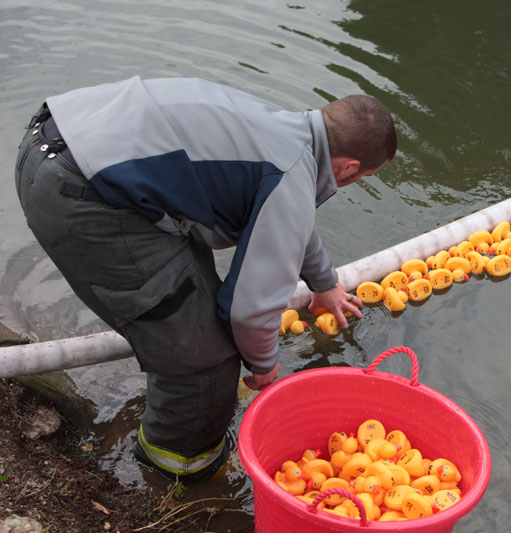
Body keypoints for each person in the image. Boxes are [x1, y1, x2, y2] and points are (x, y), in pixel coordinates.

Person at [14, 76, 397, 479]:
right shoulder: (290, 174)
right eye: (362, 176)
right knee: (206, 359)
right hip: (83, 190)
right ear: (350, 167)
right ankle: (178, 472)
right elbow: (250, 310)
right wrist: (264, 368)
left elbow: (292, 218)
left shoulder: (283, 129)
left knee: (196, 315)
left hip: (54, 136)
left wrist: (324, 284)